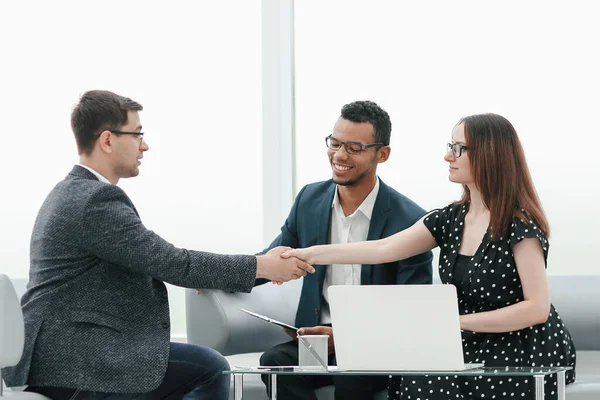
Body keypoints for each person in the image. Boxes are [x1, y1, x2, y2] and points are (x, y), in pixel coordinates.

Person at [0, 90, 314, 400]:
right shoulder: (95, 200)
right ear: (108, 140)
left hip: (60, 359)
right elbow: (172, 263)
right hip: (75, 363)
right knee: (210, 369)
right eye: (137, 135)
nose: (145, 145)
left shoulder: (71, 191)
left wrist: (241, 273)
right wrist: (264, 266)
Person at [283, 113, 576, 399]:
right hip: (467, 340)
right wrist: (309, 254)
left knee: (435, 386)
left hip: (522, 344)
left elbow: (537, 309)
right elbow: (383, 249)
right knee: (416, 382)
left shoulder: (519, 225)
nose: (449, 156)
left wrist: (453, 321)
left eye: (458, 148)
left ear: (489, 155)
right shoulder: (451, 218)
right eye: (451, 146)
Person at [257, 100, 433, 400]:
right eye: (335, 143)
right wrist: (214, 278)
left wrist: (348, 337)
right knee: (274, 363)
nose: (339, 155)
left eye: (353, 148)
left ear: (382, 154)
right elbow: (273, 258)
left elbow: (412, 308)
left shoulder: (411, 221)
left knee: (354, 376)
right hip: (317, 341)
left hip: (376, 346)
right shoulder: (309, 200)